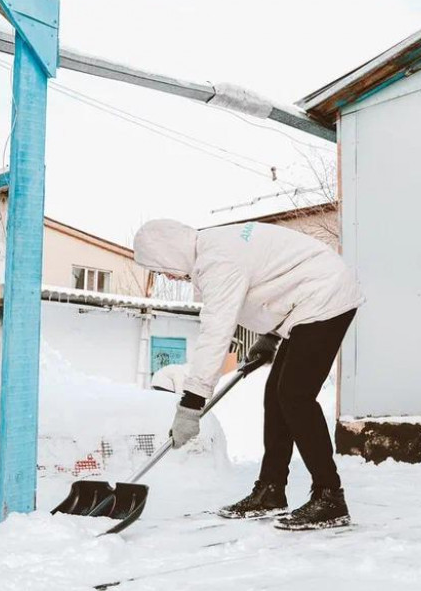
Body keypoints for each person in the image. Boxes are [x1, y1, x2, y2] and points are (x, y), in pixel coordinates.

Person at [133, 219, 363, 530]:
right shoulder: (213, 248)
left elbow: (216, 332)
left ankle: (330, 496)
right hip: (309, 300)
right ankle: (271, 490)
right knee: (277, 396)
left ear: (168, 252)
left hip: (325, 296)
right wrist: (270, 337)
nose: (168, 276)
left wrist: (191, 403)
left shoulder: (217, 261)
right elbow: (273, 280)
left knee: (295, 396)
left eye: (161, 269)